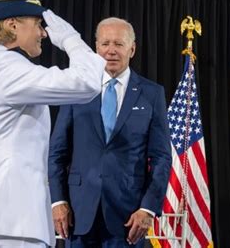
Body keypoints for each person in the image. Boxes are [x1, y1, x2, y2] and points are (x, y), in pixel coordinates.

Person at [0, 0, 106, 247]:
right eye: (37, 23)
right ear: (12, 24)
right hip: (8, 222)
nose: (43, 32)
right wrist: (71, 39)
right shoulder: (4, 68)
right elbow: (87, 83)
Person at [48, 17, 172, 247]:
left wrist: (148, 208)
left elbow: (162, 157)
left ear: (132, 49)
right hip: (78, 214)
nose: (111, 51)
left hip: (129, 218)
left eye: (119, 44)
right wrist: (57, 201)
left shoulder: (152, 94)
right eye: (105, 44)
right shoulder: (77, 89)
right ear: (96, 47)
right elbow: (57, 152)